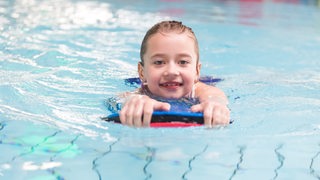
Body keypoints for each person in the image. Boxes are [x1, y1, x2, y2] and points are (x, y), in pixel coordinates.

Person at [119, 20, 230, 127]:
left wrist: (216, 104)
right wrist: (133, 102)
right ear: (142, 73)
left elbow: (215, 97)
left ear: (196, 71)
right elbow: (122, 99)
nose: (171, 72)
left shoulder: (199, 90)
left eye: (183, 62)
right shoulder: (142, 92)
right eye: (159, 62)